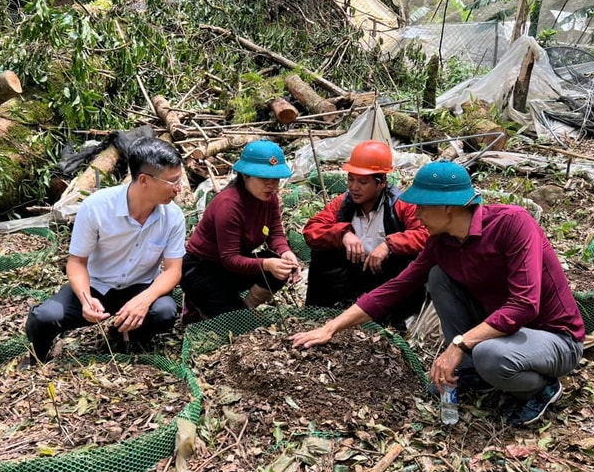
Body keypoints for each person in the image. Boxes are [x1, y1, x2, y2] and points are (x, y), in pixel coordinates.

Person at [292, 160, 585, 426]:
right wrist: (331, 327)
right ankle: (470, 372)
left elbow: (524, 305)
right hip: (500, 329)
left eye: (422, 207)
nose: (417, 215)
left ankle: (540, 388)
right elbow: (396, 287)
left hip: (554, 337)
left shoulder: (512, 223)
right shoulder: (442, 241)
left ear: (447, 207)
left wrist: (458, 345)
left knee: (489, 354)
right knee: (438, 276)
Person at [24, 137, 187, 362]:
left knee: (164, 312)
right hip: (96, 285)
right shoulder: (97, 207)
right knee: (45, 317)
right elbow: (77, 262)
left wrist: (144, 300)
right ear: (144, 180)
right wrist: (85, 300)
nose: (179, 188)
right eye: (173, 181)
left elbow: (173, 270)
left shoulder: (173, 217)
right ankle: (37, 355)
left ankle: (127, 335)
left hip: (139, 286)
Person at [303, 140, 428, 324]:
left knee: (409, 260)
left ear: (382, 182)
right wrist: (343, 234)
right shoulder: (343, 203)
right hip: (353, 271)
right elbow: (312, 229)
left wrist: (389, 245)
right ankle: (320, 313)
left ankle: (396, 318)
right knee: (322, 252)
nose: (354, 187)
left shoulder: (400, 205)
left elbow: (425, 233)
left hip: (389, 276)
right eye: (351, 179)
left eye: (362, 182)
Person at [180, 140, 301, 319]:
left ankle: (243, 309)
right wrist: (266, 264)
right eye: (264, 178)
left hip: (232, 267)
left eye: (275, 179)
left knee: (279, 266)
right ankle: (200, 304)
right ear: (245, 176)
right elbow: (229, 258)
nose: (271, 185)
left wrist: (285, 252)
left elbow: (275, 233)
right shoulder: (229, 205)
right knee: (233, 322)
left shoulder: (270, 199)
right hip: (202, 269)